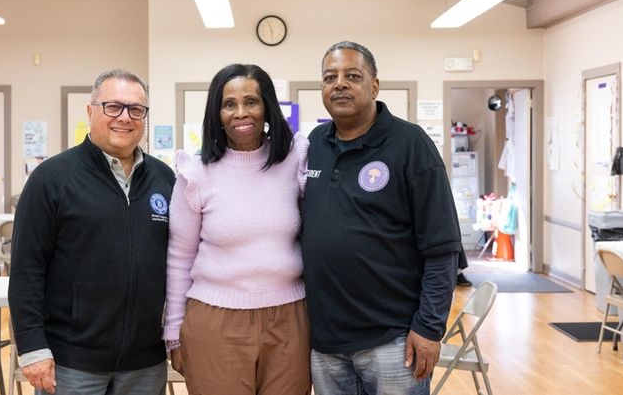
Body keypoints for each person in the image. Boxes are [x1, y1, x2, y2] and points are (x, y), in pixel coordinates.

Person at [301, 41, 462, 395]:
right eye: (330, 77)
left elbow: (443, 248)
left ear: (375, 85)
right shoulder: (314, 144)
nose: (339, 84)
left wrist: (429, 328)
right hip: (326, 342)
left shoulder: (410, 144)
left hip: (394, 340)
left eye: (352, 76)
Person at [8, 68, 175, 395]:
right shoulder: (51, 179)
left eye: (136, 110)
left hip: (145, 363)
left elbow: (179, 261)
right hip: (71, 362)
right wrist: (33, 348)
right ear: (90, 111)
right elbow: (27, 269)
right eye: (113, 107)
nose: (125, 118)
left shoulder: (164, 179)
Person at [163, 63, 311, 395]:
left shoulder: (296, 157)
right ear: (217, 113)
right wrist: (173, 332)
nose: (240, 113)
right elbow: (179, 258)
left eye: (251, 101)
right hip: (215, 321)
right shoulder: (196, 173)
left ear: (267, 107)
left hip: (290, 319)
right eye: (229, 104)